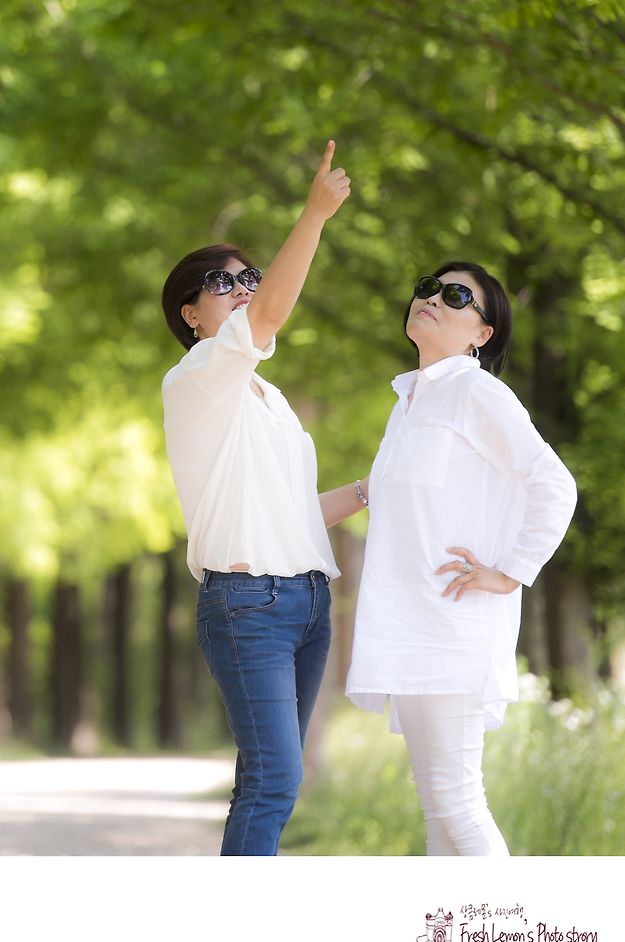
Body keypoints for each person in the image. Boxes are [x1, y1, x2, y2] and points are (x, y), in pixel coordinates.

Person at [161, 141, 368, 855]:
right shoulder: (198, 378)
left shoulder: (269, 398)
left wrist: (370, 489)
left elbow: (295, 514)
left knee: (267, 780)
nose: (245, 287)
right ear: (192, 315)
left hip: (307, 602)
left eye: (249, 276)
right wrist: (314, 215)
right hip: (248, 604)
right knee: (276, 779)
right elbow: (271, 316)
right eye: (224, 283)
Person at [345, 262, 577, 856]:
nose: (432, 299)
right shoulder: (409, 401)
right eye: (427, 287)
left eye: (455, 296)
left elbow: (555, 483)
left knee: (459, 805)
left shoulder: (476, 392)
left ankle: (507, 916)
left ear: (482, 333)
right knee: (436, 812)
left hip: (453, 630)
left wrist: (512, 573)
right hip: (409, 627)